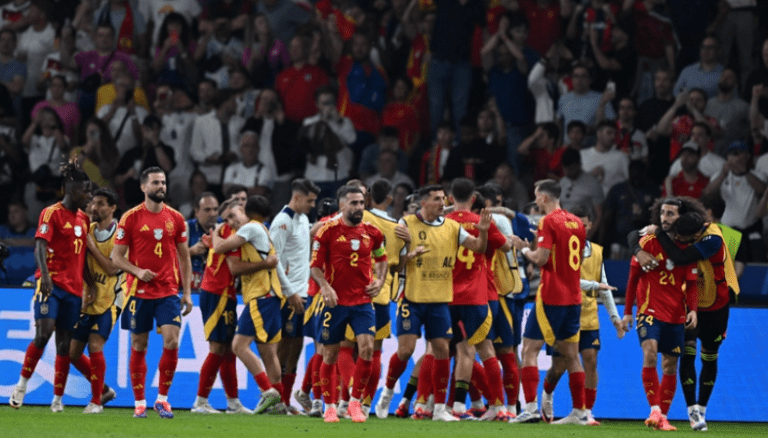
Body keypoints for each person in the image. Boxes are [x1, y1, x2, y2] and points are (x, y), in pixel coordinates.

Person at [376, 184, 492, 422]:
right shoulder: (406, 224)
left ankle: (439, 409)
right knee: (406, 350)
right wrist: (409, 254)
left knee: (442, 351)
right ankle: (386, 394)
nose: (443, 203)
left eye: (443, 198)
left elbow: (479, 248)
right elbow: (394, 266)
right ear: (423, 203)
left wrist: (483, 232)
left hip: (439, 301)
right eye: (437, 199)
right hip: (412, 298)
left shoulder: (452, 227)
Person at [644, 197, 738, 432]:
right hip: (689, 305)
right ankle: (693, 411)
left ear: (695, 234)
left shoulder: (712, 238)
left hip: (716, 306)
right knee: (687, 355)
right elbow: (636, 236)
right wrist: (638, 248)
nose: (679, 240)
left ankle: (703, 408)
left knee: (709, 356)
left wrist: (660, 234)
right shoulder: (688, 231)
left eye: (682, 237)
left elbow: (681, 257)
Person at [8, 161, 92, 411]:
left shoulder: (84, 219)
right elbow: (40, 246)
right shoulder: (51, 213)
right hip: (51, 285)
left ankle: (57, 399)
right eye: (85, 191)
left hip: (74, 291)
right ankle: (21, 386)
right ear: (71, 190)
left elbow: (82, 256)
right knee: (43, 335)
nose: (88, 196)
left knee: (64, 345)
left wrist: (89, 285)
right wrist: (44, 276)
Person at [113, 166, 193, 418]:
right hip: (138, 292)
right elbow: (116, 257)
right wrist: (137, 271)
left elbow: (185, 258)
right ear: (143, 187)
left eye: (163, 182)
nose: (161, 186)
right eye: (156, 182)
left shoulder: (176, 219)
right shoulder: (130, 218)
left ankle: (162, 399)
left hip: (168, 291)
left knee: (172, 340)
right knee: (139, 344)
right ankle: (139, 403)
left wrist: (187, 292)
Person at [508, 179, 587, 425]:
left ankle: (531, 408)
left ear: (543, 197)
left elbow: (541, 259)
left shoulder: (547, 221)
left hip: (552, 296)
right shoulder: (577, 222)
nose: (535, 200)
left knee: (529, 350)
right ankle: (579, 412)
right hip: (573, 296)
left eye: (536, 195)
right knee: (572, 356)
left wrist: (523, 248)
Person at [539, 204, 624, 426]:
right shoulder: (558, 249)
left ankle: (585, 412)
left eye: (585, 225)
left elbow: (604, 286)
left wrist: (615, 319)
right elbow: (567, 280)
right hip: (564, 311)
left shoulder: (596, 251)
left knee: (591, 361)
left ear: (590, 225)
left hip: (588, 316)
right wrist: (595, 285)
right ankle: (547, 393)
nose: (580, 229)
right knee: (559, 367)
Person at [212, 195, 297, 414]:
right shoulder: (262, 230)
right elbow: (275, 264)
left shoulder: (250, 228)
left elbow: (220, 248)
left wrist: (215, 233)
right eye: (226, 219)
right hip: (272, 295)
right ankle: (279, 404)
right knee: (268, 352)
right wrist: (289, 292)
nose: (230, 222)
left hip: (262, 296)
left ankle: (268, 391)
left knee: (238, 346)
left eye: (233, 216)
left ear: (244, 211)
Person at [310, 186, 388, 423]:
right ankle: (330, 407)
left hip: (362, 301)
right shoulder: (327, 231)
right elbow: (315, 267)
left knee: (367, 348)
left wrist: (380, 281)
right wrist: (325, 287)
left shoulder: (373, 232)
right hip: (335, 302)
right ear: (342, 205)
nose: (359, 207)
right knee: (330, 354)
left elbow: (382, 258)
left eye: (361, 203)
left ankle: (355, 403)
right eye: (354, 203)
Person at [622, 208, 700, 431]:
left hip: (675, 314)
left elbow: (692, 284)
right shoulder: (648, 242)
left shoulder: (688, 250)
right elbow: (633, 278)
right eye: (663, 213)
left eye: (671, 214)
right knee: (649, 353)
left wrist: (693, 310)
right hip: (649, 311)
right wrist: (627, 312)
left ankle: (663, 417)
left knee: (670, 364)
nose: (666, 217)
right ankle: (655, 409)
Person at [445, 179, 511, 421]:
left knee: (445, 350)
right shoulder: (482, 222)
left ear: (450, 198)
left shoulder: (444, 223)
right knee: (486, 350)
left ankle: (434, 405)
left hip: (446, 296)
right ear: (474, 198)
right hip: (476, 296)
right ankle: (498, 407)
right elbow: (505, 247)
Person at [190, 197, 251, 414]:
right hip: (217, 293)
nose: (236, 219)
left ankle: (233, 403)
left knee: (227, 350)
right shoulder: (228, 232)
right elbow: (235, 267)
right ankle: (200, 402)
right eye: (231, 216)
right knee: (217, 348)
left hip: (225, 292)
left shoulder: (227, 231)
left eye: (238, 214)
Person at [269, 178, 320, 411]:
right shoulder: (282, 222)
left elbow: (300, 250)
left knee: (296, 347)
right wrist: (289, 292)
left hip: (303, 293)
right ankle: (275, 399)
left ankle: (286, 400)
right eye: (310, 200)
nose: (313, 205)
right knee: (284, 347)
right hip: (287, 296)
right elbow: (274, 261)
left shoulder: (303, 219)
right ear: (297, 197)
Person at [71, 188, 122, 413]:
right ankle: (104, 390)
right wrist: (89, 285)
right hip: (89, 297)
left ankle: (95, 402)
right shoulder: (87, 230)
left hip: (112, 298)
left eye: (101, 204)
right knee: (72, 353)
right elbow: (80, 262)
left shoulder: (120, 234)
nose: (95, 207)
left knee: (95, 345)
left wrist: (91, 247)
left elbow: (112, 268)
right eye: (93, 203)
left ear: (112, 208)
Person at [187, 192, 220, 293]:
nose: (212, 214)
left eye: (215, 209)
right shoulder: (186, 228)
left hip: (214, 290)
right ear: (196, 211)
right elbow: (168, 258)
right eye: (207, 210)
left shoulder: (223, 230)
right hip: (188, 289)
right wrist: (191, 251)